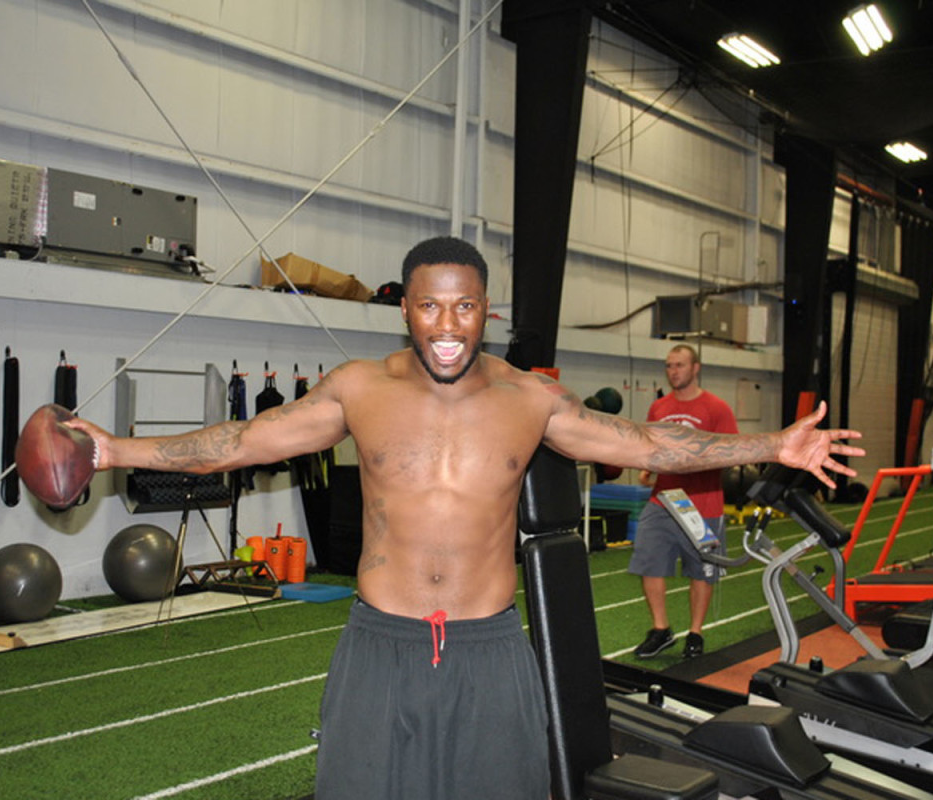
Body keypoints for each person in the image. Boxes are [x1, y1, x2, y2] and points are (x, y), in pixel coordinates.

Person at [66, 236, 863, 800]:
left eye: (465, 307)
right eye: (430, 307)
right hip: (381, 645)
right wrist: (113, 451)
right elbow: (240, 442)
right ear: (406, 310)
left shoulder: (530, 399)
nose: (447, 327)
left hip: (489, 649)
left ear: (486, 310)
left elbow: (649, 441)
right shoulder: (360, 389)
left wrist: (774, 445)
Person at [629, 343, 738, 661]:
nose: (673, 371)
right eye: (669, 365)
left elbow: (730, 452)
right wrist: (648, 468)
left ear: (695, 368)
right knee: (648, 560)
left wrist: (693, 461)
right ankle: (660, 629)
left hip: (703, 503)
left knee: (701, 572)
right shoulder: (659, 408)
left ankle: (695, 632)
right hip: (663, 500)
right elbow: (651, 444)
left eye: (679, 365)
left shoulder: (717, 408)